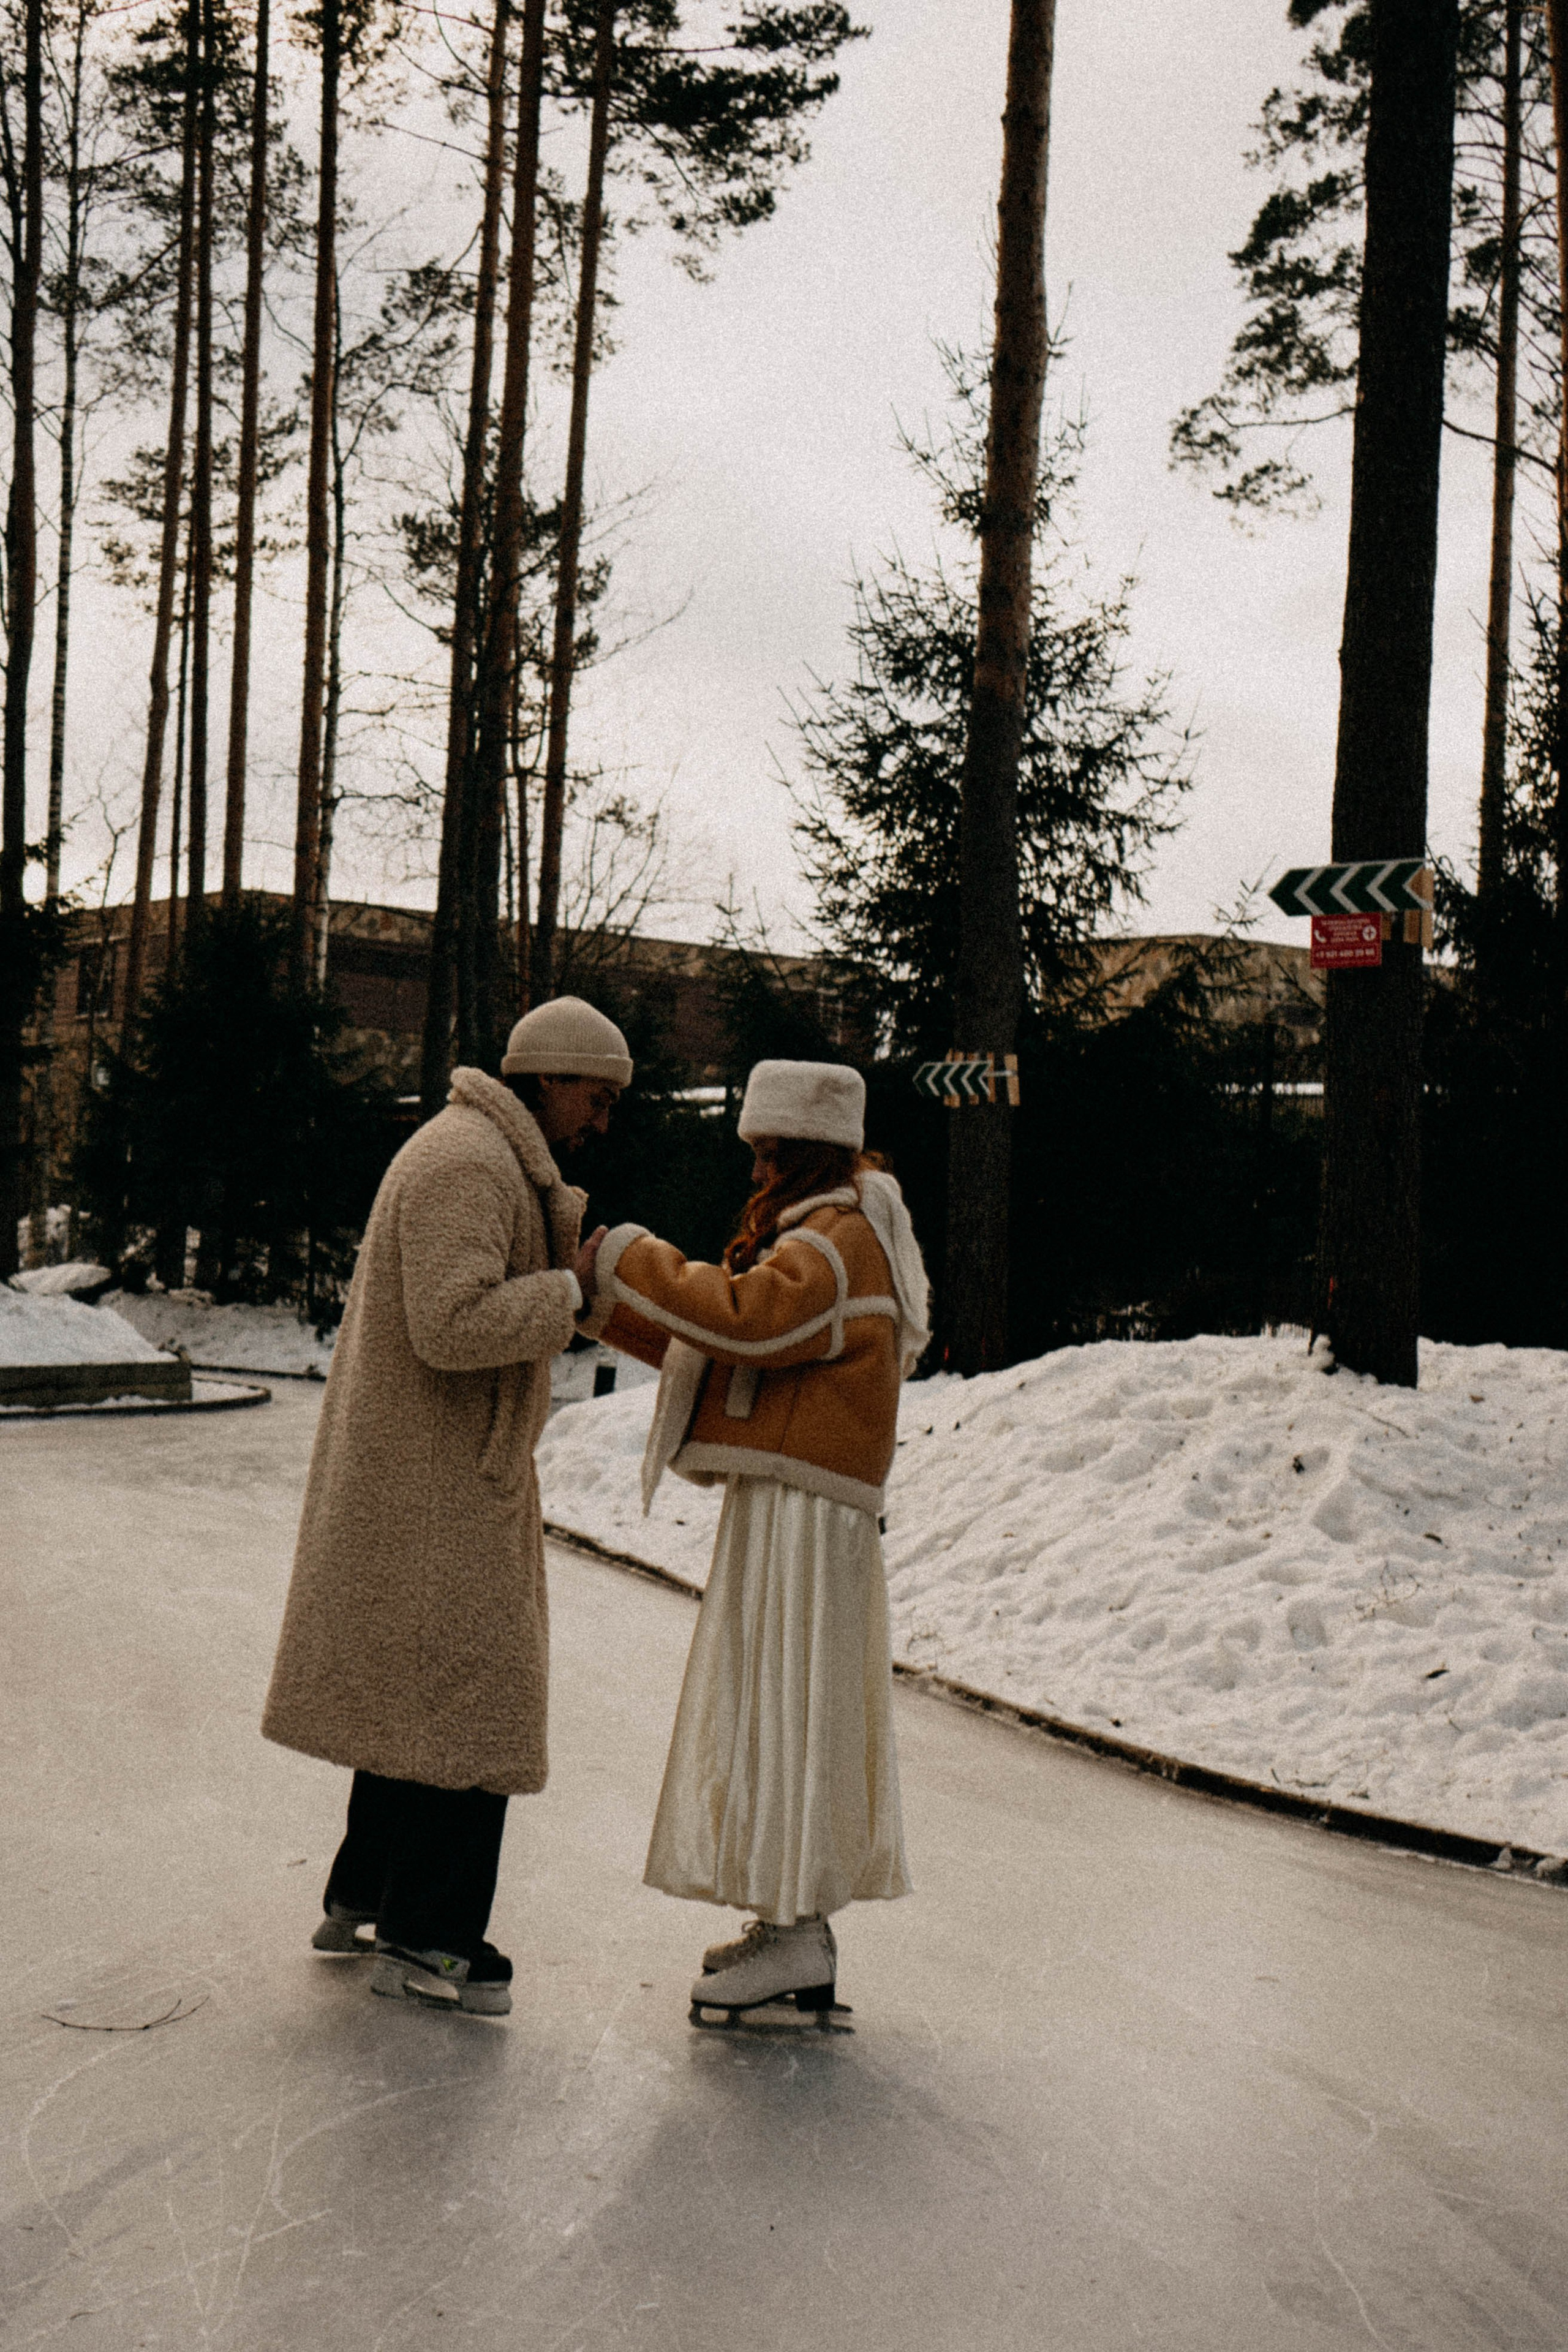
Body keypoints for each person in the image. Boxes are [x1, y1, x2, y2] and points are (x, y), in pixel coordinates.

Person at [261, 997, 630, 2015]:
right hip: (436, 1481)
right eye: (596, 1097)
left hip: (431, 1474)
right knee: (474, 1696)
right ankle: (432, 1934)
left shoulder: (474, 1151)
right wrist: (573, 1289)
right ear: (548, 1078)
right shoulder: (469, 1161)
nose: (602, 1120)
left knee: (414, 1689)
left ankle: (369, 1890)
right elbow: (453, 1322)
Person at [579, 1058, 930, 2022]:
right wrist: (609, 1307)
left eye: (769, 1154)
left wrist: (623, 1256)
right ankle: (791, 1929)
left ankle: (797, 1931)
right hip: (799, 1509)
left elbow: (747, 1323)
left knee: (790, 1712)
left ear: (806, 1151)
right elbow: (727, 1345)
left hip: (805, 1521)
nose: (755, 1174)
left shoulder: (833, 1243)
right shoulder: (836, 1233)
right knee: (783, 1709)